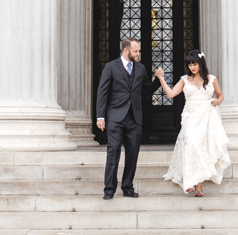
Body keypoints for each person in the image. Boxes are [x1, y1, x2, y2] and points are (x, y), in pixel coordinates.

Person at [155, 49, 230, 196]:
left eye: (194, 64)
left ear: (201, 63)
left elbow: (220, 95)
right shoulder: (184, 80)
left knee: (201, 147)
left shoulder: (212, 79)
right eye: (189, 65)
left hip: (207, 117)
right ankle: (190, 181)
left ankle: (198, 185)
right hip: (190, 117)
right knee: (191, 145)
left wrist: (217, 101)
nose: (192, 67)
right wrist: (161, 79)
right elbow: (170, 94)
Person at [96, 38, 160, 200]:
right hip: (115, 117)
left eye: (138, 51)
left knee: (132, 154)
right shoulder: (111, 67)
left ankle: (127, 187)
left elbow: (147, 91)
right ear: (126, 51)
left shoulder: (141, 68)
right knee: (113, 152)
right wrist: (100, 116)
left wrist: (158, 80)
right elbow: (102, 93)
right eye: (136, 51)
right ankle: (109, 189)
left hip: (134, 118)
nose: (138, 53)